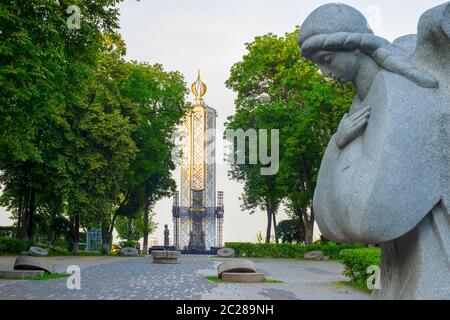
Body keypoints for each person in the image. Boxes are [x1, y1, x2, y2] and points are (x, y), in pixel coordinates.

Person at [298, 3, 450, 299]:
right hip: (398, 254)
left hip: (433, 250)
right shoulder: (361, 104)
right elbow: (338, 218)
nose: (324, 73)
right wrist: (337, 143)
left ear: (354, 47)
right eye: (318, 64)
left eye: (326, 60)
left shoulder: (401, 90)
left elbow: (370, 215)